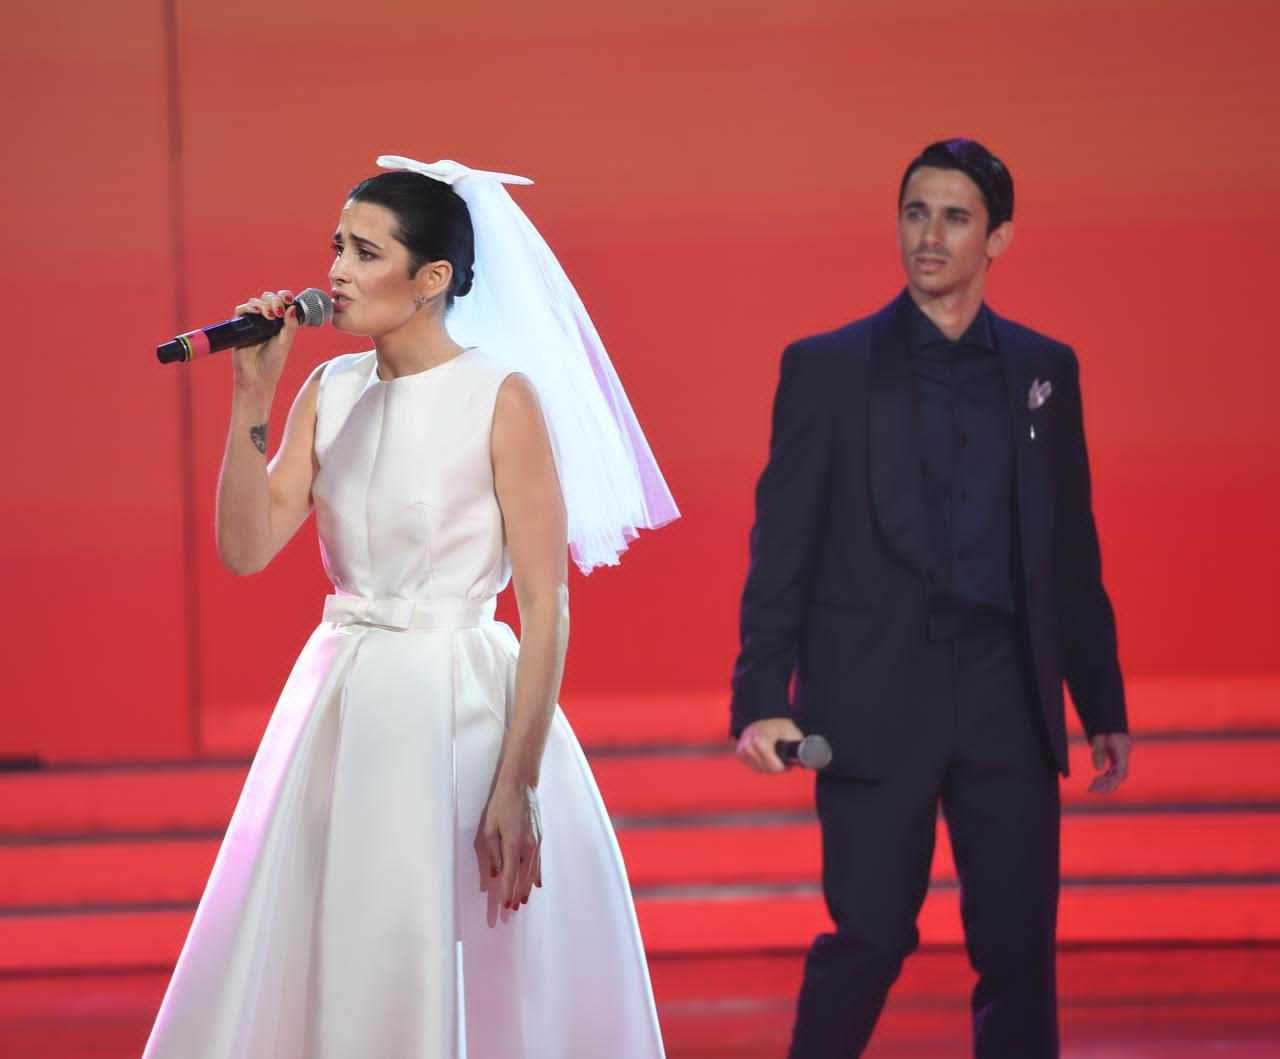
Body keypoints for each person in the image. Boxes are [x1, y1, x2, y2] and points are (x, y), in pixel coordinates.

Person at [143, 156, 677, 1059]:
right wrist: (252, 395)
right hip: (346, 700)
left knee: (464, 957)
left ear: (431, 279)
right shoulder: (331, 389)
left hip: (459, 705)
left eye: (365, 252)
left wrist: (519, 780)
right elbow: (246, 548)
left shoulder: (498, 395)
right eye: (336, 248)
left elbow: (545, 603)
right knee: (345, 947)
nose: (336, 272)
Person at [730, 138, 1132, 1058]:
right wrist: (759, 695)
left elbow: (1069, 549)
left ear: (999, 237)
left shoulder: (1043, 370)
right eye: (916, 213)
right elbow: (781, 546)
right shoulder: (828, 368)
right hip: (874, 692)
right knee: (870, 937)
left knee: (1019, 954)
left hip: (1006, 695)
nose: (930, 236)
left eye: (955, 217)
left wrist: (1099, 700)